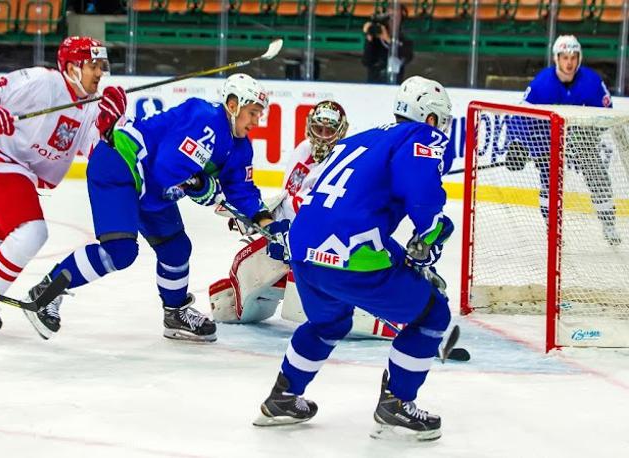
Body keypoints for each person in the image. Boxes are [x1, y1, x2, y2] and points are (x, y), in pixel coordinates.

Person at [253, 76, 454, 442]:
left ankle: (283, 397)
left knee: (329, 323)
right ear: (429, 119)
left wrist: (411, 254)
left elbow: (343, 206)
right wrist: (431, 235)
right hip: (349, 252)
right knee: (433, 314)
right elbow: (423, 198)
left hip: (303, 247)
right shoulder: (420, 136)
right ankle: (397, 402)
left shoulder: (361, 138)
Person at [24, 73, 287, 343]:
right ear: (233, 105)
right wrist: (202, 186)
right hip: (120, 165)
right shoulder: (203, 117)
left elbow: (242, 191)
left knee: (176, 248)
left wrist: (270, 225)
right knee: (120, 251)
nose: (256, 122)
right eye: (253, 113)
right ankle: (44, 293)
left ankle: (175, 314)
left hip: (152, 186)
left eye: (259, 115)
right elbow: (168, 168)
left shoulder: (240, 148)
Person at [0, 36, 127, 336]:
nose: (99, 72)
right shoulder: (43, 81)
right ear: (71, 68)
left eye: (100, 65)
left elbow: (95, 152)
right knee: (32, 232)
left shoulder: (92, 106)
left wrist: (108, 126)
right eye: (92, 65)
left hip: (19, 171)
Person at [209, 100, 351, 323]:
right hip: (292, 239)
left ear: (341, 131)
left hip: (326, 246)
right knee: (225, 304)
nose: (323, 136)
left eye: (329, 130)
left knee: (242, 274)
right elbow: (288, 197)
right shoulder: (303, 149)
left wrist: (266, 219)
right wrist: (257, 217)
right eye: (318, 129)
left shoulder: (343, 161)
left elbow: (319, 211)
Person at [506, 34, 620, 245]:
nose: (569, 62)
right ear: (556, 58)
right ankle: (553, 228)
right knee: (549, 178)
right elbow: (520, 117)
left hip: (582, 136)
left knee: (597, 174)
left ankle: (609, 224)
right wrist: (516, 145)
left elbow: (608, 115)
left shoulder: (592, 82)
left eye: (573, 57)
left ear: (579, 58)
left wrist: (587, 130)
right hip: (547, 136)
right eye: (564, 57)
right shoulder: (542, 84)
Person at [361, 11, 413, 84]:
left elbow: (407, 56)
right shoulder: (376, 40)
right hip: (374, 82)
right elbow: (366, 61)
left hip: (394, 80)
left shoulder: (403, 38)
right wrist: (369, 39)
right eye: (390, 19)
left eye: (395, 18)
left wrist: (388, 39)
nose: (392, 21)